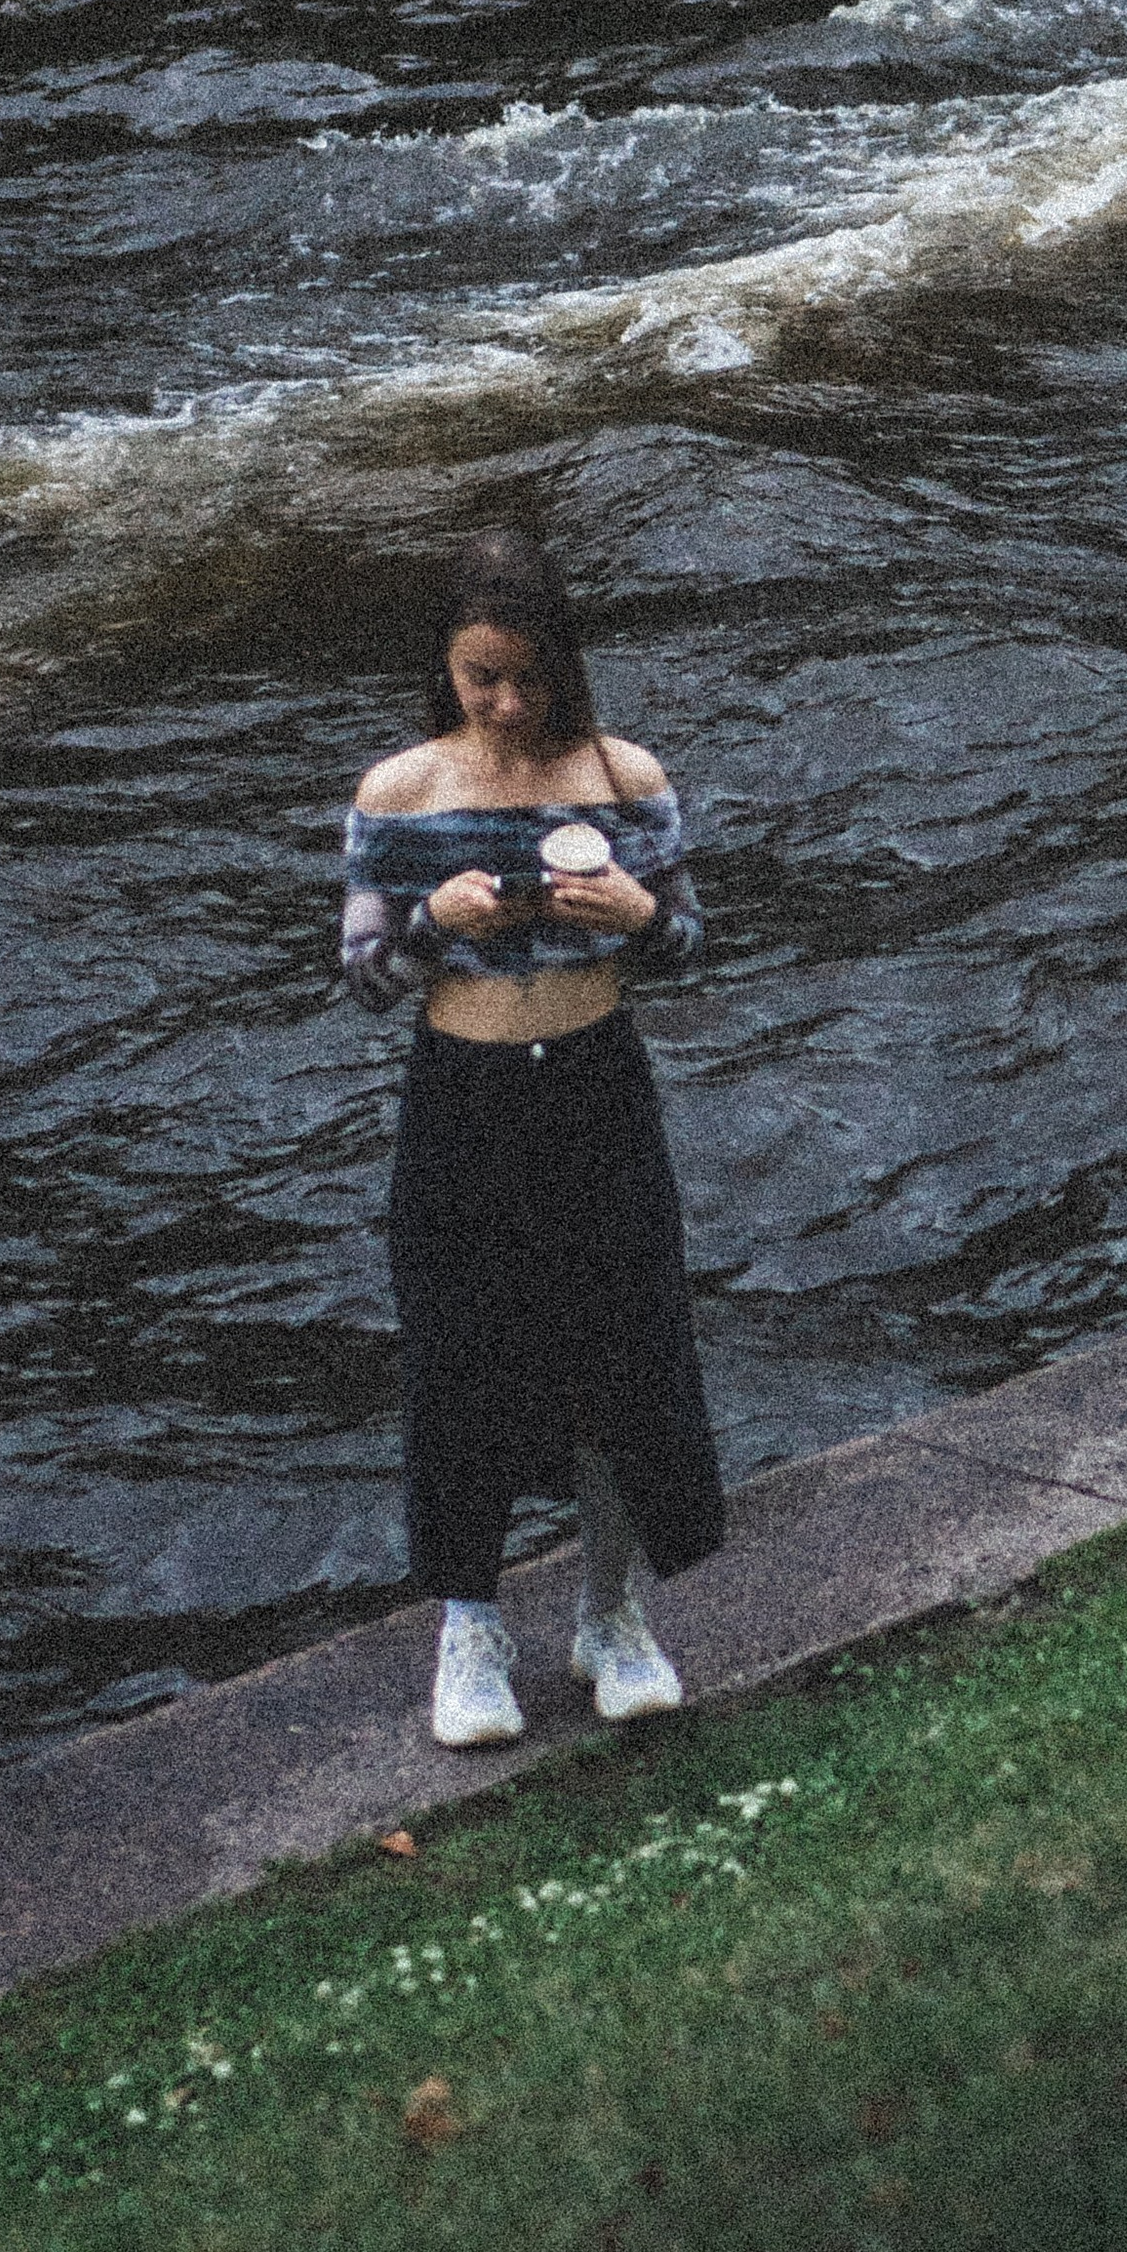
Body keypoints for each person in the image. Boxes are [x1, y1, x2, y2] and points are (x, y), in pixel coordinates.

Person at [341, 528, 724, 1749]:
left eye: (530, 677)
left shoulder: (624, 777)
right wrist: (430, 926)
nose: (508, 704)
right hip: (464, 1099)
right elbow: (363, 978)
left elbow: (689, 947)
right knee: (462, 1363)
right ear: (446, 670)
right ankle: (470, 1631)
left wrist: (640, 913)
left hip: (596, 1090)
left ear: (565, 662)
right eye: (481, 678)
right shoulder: (399, 793)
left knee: (620, 1355)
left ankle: (610, 1614)